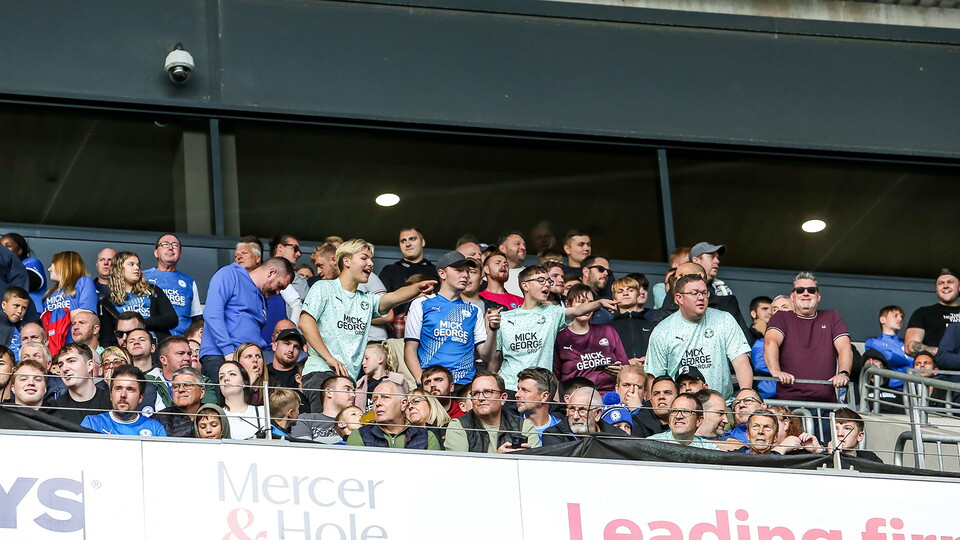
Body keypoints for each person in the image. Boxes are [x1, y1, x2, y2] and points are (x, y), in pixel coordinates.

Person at [298, 239, 434, 413]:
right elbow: (305, 322)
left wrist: (417, 288)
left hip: (348, 379)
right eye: (364, 258)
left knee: (345, 431)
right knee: (326, 429)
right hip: (322, 373)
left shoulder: (367, 298)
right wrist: (329, 358)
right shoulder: (324, 287)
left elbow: (391, 298)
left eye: (371, 259)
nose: (370, 263)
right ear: (346, 261)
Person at [491, 265, 617, 393]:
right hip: (510, 386)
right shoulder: (505, 317)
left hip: (540, 389)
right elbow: (495, 358)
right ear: (525, 286)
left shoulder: (553, 313)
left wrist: (599, 303)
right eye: (541, 280)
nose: (547, 285)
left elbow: (578, 310)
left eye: (548, 281)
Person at [645, 273, 752, 401]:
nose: (701, 297)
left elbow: (740, 360)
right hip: (679, 408)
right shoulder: (662, 331)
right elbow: (655, 378)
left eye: (704, 293)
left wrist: (746, 396)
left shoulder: (724, 320)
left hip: (722, 406)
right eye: (694, 293)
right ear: (679, 298)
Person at [199, 256, 294, 386]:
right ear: (271, 272)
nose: (278, 292)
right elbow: (212, 313)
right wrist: (229, 354)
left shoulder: (262, 299)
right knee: (222, 405)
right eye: (279, 286)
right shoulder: (230, 274)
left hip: (247, 361)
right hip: (222, 356)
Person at [404, 251, 496, 385]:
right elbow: (410, 349)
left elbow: (486, 356)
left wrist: (494, 329)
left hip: (464, 384)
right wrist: (422, 381)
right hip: (433, 382)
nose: (465, 275)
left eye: (468, 271)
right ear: (442, 274)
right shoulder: (421, 303)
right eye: (459, 270)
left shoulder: (474, 310)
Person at [765, 272, 852, 403]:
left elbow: (845, 347)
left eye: (811, 290)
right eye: (800, 290)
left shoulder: (832, 317)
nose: (805, 293)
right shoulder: (781, 317)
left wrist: (843, 373)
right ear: (792, 297)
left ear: (818, 296)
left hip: (825, 403)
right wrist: (775, 371)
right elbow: (771, 342)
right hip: (789, 401)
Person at [554, 284, 628, 392]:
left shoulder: (607, 331)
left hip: (609, 396)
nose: (587, 307)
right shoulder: (560, 337)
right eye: (581, 302)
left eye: (590, 302)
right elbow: (555, 377)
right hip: (576, 398)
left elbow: (626, 368)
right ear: (568, 304)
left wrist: (620, 371)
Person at [444, 371, 539, 453]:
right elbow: (458, 469)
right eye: (476, 393)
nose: (480, 398)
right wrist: (496, 459)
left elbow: (537, 466)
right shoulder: (458, 426)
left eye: (487, 392)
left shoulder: (523, 426)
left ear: (503, 398)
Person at [98, 251, 178, 347]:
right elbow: (107, 338)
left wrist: (139, 324)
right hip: (126, 351)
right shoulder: (107, 302)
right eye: (131, 264)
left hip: (157, 346)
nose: (137, 268)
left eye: (138, 265)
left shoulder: (153, 291)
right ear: (119, 269)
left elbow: (172, 320)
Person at [347, 380, 441, 449]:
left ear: (403, 404)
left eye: (385, 397)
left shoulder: (427, 437)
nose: (378, 403)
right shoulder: (359, 435)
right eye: (375, 399)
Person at [143, 233, 203, 336]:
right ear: (156, 253)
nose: (170, 247)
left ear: (180, 254)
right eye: (165, 244)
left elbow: (197, 318)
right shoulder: (142, 277)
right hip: (150, 340)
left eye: (175, 245)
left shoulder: (189, 282)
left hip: (181, 341)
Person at [81, 365, 166, 436]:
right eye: (118, 389)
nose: (123, 395)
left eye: (130, 389)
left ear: (140, 397)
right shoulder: (92, 423)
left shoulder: (155, 428)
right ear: (111, 395)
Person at [43, 252, 98, 352]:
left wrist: (60, 316)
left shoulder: (83, 282)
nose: (49, 269)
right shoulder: (49, 294)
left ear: (64, 266)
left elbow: (87, 316)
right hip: (53, 349)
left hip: (77, 347)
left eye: (53, 265)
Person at [48, 343, 112, 425]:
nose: (64, 368)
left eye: (71, 361)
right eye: (61, 365)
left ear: (89, 365)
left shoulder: (111, 401)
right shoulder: (55, 409)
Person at [904, 269, 960, 358]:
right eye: (941, 283)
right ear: (936, 289)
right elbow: (909, 347)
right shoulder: (923, 313)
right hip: (934, 369)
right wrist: (937, 351)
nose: (945, 286)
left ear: (959, 287)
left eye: (950, 282)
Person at [542, 387, 623, 445]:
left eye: (582, 410)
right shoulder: (553, 435)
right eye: (572, 409)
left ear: (597, 413)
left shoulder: (617, 437)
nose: (575, 416)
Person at [290, 375, 357, 443]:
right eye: (347, 389)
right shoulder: (307, 419)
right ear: (329, 392)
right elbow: (303, 447)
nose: (354, 395)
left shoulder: (358, 420)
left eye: (354, 391)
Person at [647, 393, 720, 449]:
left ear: (698, 420)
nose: (678, 416)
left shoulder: (709, 449)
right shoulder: (651, 444)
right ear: (669, 418)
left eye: (686, 412)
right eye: (674, 411)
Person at [864, 306, 912, 389]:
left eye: (901, 317)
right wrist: (908, 363)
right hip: (884, 390)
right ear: (882, 319)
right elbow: (888, 357)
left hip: (907, 392)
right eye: (895, 316)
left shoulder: (906, 345)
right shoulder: (872, 342)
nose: (900, 319)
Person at [218, 360, 269, 439]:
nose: (226, 379)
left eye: (232, 374)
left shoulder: (262, 412)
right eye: (221, 377)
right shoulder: (216, 416)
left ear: (244, 382)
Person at [154, 367, 208, 437]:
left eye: (187, 385)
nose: (181, 390)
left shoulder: (213, 415)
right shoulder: (159, 419)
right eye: (176, 386)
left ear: (202, 392)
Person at [356, 342, 409, 412]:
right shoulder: (361, 385)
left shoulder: (398, 381)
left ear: (380, 359)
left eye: (366, 358)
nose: (363, 363)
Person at [1, 233, 46, 311]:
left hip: (33, 314)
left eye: (8, 246)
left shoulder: (31, 262)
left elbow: (22, 283)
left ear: (19, 251)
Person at [515, 367, 562, 441]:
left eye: (525, 390)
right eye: (518, 389)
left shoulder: (562, 428)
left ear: (544, 396)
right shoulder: (510, 424)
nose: (517, 394)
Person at [267, 328, 306, 392]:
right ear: (274, 346)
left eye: (296, 347)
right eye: (287, 344)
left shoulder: (303, 375)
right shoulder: (263, 373)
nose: (291, 350)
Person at [498, 231, 527, 297]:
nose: (523, 248)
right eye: (517, 244)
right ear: (503, 249)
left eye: (524, 245)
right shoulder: (491, 277)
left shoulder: (532, 273)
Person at [1, 286, 30, 351]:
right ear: (3, 305)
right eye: (16, 306)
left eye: (24, 308)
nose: (20, 311)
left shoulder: (23, 327)